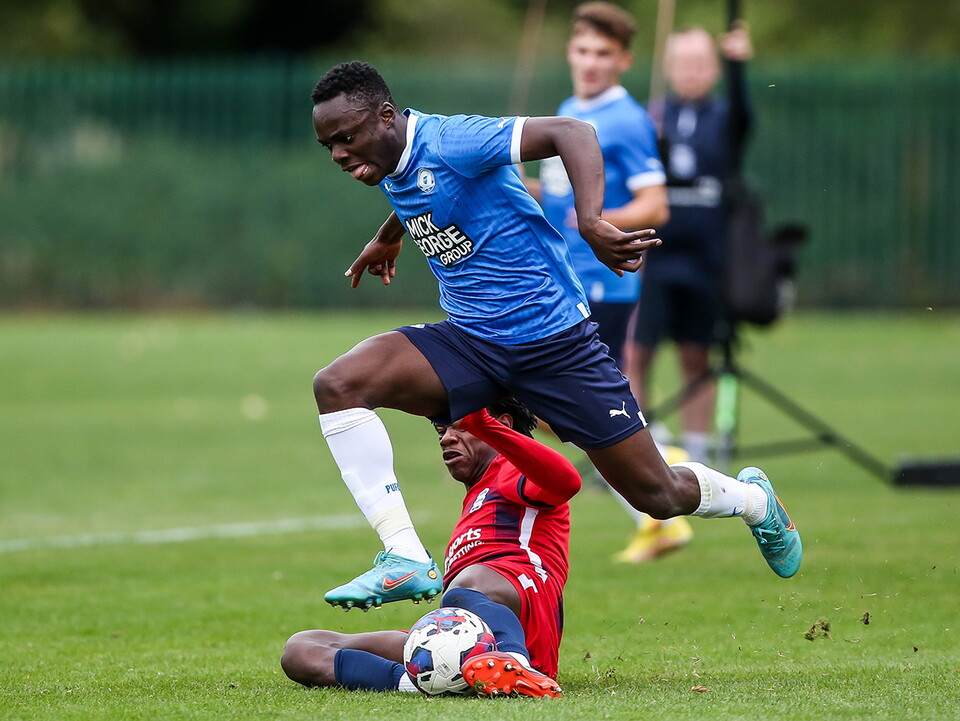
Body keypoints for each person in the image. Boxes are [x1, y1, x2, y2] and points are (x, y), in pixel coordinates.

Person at [309, 60, 801, 612]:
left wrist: (591, 222)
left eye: (346, 138)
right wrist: (389, 234)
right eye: (329, 145)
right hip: (472, 341)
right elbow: (427, 189)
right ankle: (403, 555)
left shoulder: (454, 140)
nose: (339, 154)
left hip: (555, 346)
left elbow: (573, 132)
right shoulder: (390, 158)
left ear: (384, 116)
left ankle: (753, 500)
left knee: (657, 495)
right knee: (339, 385)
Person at [526, 0, 693, 565]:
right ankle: (658, 490)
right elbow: (560, 197)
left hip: (603, 281)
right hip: (565, 277)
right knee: (569, 404)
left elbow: (656, 204)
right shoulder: (568, 110)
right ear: (569, 53)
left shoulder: (626, 120)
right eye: (582, 50)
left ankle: (664, 474)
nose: (590, 62)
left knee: (567, 402)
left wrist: (598, 220)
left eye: (603, 53)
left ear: (624, 60)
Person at [282, 398, 572, 698]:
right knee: (302, 649)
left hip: (523, 613)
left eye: (460, 428)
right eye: (441, 431)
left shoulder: (515, 467)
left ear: (501, 426)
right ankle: (433, 682)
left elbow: (566, 482)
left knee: (464, 586)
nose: (447, 438)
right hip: (458, 631)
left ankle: (514, 663)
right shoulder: (476, 497)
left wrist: (492, 431)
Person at [626, 23, 754, 466]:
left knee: (696, 354)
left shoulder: (724, 118)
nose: (691, 71)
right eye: (682, 63)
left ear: (714, 68)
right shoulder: (652, 117)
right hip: (654, 255)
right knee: (636, 351)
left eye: (700, 62)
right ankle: (637, 448)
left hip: (706, 259)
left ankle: (697, 454)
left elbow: (743, 119)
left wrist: (739, 67)